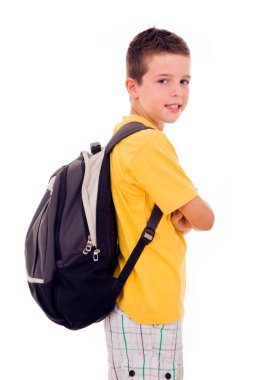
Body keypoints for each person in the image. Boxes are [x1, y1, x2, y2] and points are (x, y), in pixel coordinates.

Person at [104, 27, 214, 380]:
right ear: (132, 87)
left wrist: (179, 216)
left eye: (184, 81)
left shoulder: (126, 133)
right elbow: (205, 217)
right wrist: (189, 213)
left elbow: (163, 212)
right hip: (148, 306)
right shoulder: (149, 145)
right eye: (163, 80)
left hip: (135, 299)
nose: (177, 92)